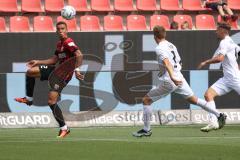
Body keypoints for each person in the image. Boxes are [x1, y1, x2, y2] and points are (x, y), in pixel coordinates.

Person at [132, 25, 226, 137]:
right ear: (165, 34)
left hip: (171, 80)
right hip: (180, 76)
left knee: (146, 100)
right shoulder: (171, 45)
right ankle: (219, 114)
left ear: (154, 36)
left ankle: (146, 130)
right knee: (194, 100)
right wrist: (176, 75)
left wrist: (172, 77)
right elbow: (179, 62)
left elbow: (167, 63)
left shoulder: (159, 48)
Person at [15, 21, 84, 138]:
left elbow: (79, 55)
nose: (61, 31)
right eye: (59, 29)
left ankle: (64, 128)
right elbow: (53, 60)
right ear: (56, 31)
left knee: (51, 102)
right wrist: (38, 61)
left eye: (63, 29)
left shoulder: (68, 42)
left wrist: (77, 70)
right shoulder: (59, 44)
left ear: (67, 30)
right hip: (56, 71)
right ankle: (29, 99)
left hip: (63, 75)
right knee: (30, 72)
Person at [198, 22, 240, 132]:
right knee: (208, 94)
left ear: (223, 30)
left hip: (235, 78)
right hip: (227, 79)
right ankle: (213, 122)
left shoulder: (224, 42)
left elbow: (220, 58)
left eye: (217, 30)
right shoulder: (232, 42)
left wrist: (205, 62)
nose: (216, 32)